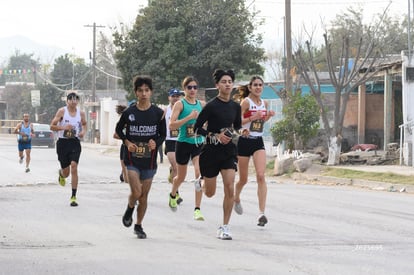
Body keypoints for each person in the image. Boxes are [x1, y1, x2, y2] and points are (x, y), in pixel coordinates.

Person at [115, 75, 166, 239]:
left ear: (151, 92)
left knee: (144, 196)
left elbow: (163, 134)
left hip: (149, 161)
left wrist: (155, 143)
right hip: (132, 159)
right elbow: (119, 129)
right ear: (136, 93)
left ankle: (138, 225)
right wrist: (127, 141)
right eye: (140, 90)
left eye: (147, 90)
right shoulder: (129, 112)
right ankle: (130, 208)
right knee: (136, 191)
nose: (144, 93)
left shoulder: (158, 113)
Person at [194, 69, 241, 240]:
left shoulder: (236, 106)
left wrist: (238, 133)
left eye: (230, 81)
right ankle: (201, 181)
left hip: (229, 152)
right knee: (210, 193)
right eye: (224, 81)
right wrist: (214, 136)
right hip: (211, 152)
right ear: (217, 85)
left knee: (230, 187)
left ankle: (225, 227)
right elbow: (197, 128)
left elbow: (237, 126)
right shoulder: (211, 106)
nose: (227, 84)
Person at [233, 76, 275, 226]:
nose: (258, 87)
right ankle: (236, 197)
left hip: (258, 141)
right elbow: (236, 123)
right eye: (255, 85)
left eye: (260, 85)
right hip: (245, 141)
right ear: (250, 88)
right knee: (243, 179)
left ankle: (261, 213)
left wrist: (267, 117)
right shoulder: (245, 103)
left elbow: (261, 122)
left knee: (261, 176)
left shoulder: (265, 103)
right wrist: (252, 117)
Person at [168, 77, 205, 221]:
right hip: (183, 143)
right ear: (184, 89)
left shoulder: (201, 104)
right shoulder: (180, 104)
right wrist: (189, 117)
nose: (192, 90)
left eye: (195, 87)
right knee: (181, 177)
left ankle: (197, 209)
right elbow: (172, 125)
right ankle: (173, 193)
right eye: (189, 87)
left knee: (198, 173)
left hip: (198, 143)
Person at [50, 92, 87, 207]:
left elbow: (85, 125)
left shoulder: (81, 113)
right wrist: (63, 127)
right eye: (71, 99)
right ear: (67, 101)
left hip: (75, 143)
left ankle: (73, 196)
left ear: (78, 101)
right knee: (66, 173)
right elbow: (52, 126)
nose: (73, 101)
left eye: (76, 99)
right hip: (63, 143)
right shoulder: (62, 111)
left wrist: (83, 132)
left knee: (74, 167)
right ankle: (61, 174)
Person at [163, 88, 183, 204]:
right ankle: (176, 194)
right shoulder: (165, 111)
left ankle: (172, 174)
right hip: (170, 140)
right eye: (173, 96)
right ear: (169, 97)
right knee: (176, 166)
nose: (175, 98)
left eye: (177, 96)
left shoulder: (183, 109)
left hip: (181, 140)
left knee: (178, 169)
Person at [113, 104, 129, 184]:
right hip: (124, 146)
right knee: (124, 169)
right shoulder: (120, 124)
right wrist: (125, 138)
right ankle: (123, 174)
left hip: (134, 146)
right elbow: (115, 135)